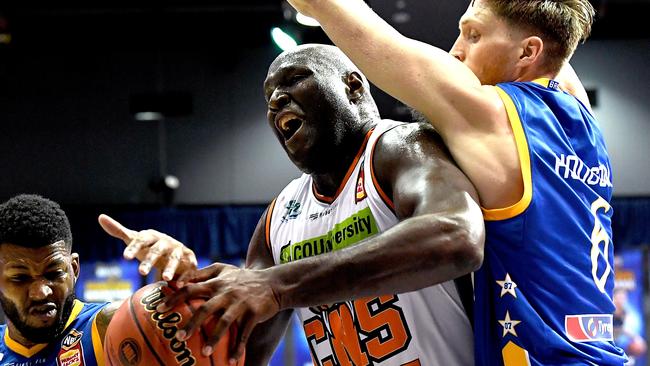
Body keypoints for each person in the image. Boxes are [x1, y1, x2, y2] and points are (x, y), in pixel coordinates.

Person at [277, 0, 627, 365]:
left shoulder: (493, 116)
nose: (456, 51)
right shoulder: (580, 115)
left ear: (528, 52)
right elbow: (556, 38)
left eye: (474, 35)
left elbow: (372, 39)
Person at [156, 44, 484, 366]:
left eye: (295, 80)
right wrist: (184, 294)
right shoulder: (278, 218)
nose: (276, 100)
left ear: (352, 87)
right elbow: (236, 351)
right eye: (269, 97)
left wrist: (277, 284)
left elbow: (457, 235)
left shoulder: (398, 148)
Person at [0, 193, 197, 365]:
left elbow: (179, 324)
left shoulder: (106, 327)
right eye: (20, 278)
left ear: (74, 269)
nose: (41, 292)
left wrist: (186, 284)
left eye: (54, 274)